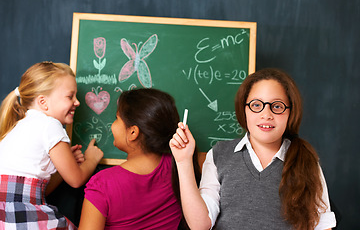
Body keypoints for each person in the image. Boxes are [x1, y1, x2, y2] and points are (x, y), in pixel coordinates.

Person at [170, 68, 337, 230]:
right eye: (256, 105)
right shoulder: (220, 154)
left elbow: (322, 225)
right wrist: (183, 161)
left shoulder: (305, 160)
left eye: (277, 106)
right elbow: (200, 225)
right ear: (244, 109)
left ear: (290, 113)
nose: (266, 114)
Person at [0, 62, 104, 229]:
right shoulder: (50, 125)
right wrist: (90, 159)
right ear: (43, 102)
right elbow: (76, 180)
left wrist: (65, 166)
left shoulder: (20, 126)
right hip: (20, 216)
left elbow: (39, 191)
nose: (77, 102)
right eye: (70, 96)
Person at [78, 88, 200, 230]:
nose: (112, 125)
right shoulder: (179, 166)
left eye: (117, 118)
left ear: (133, 132)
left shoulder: (102, 184)